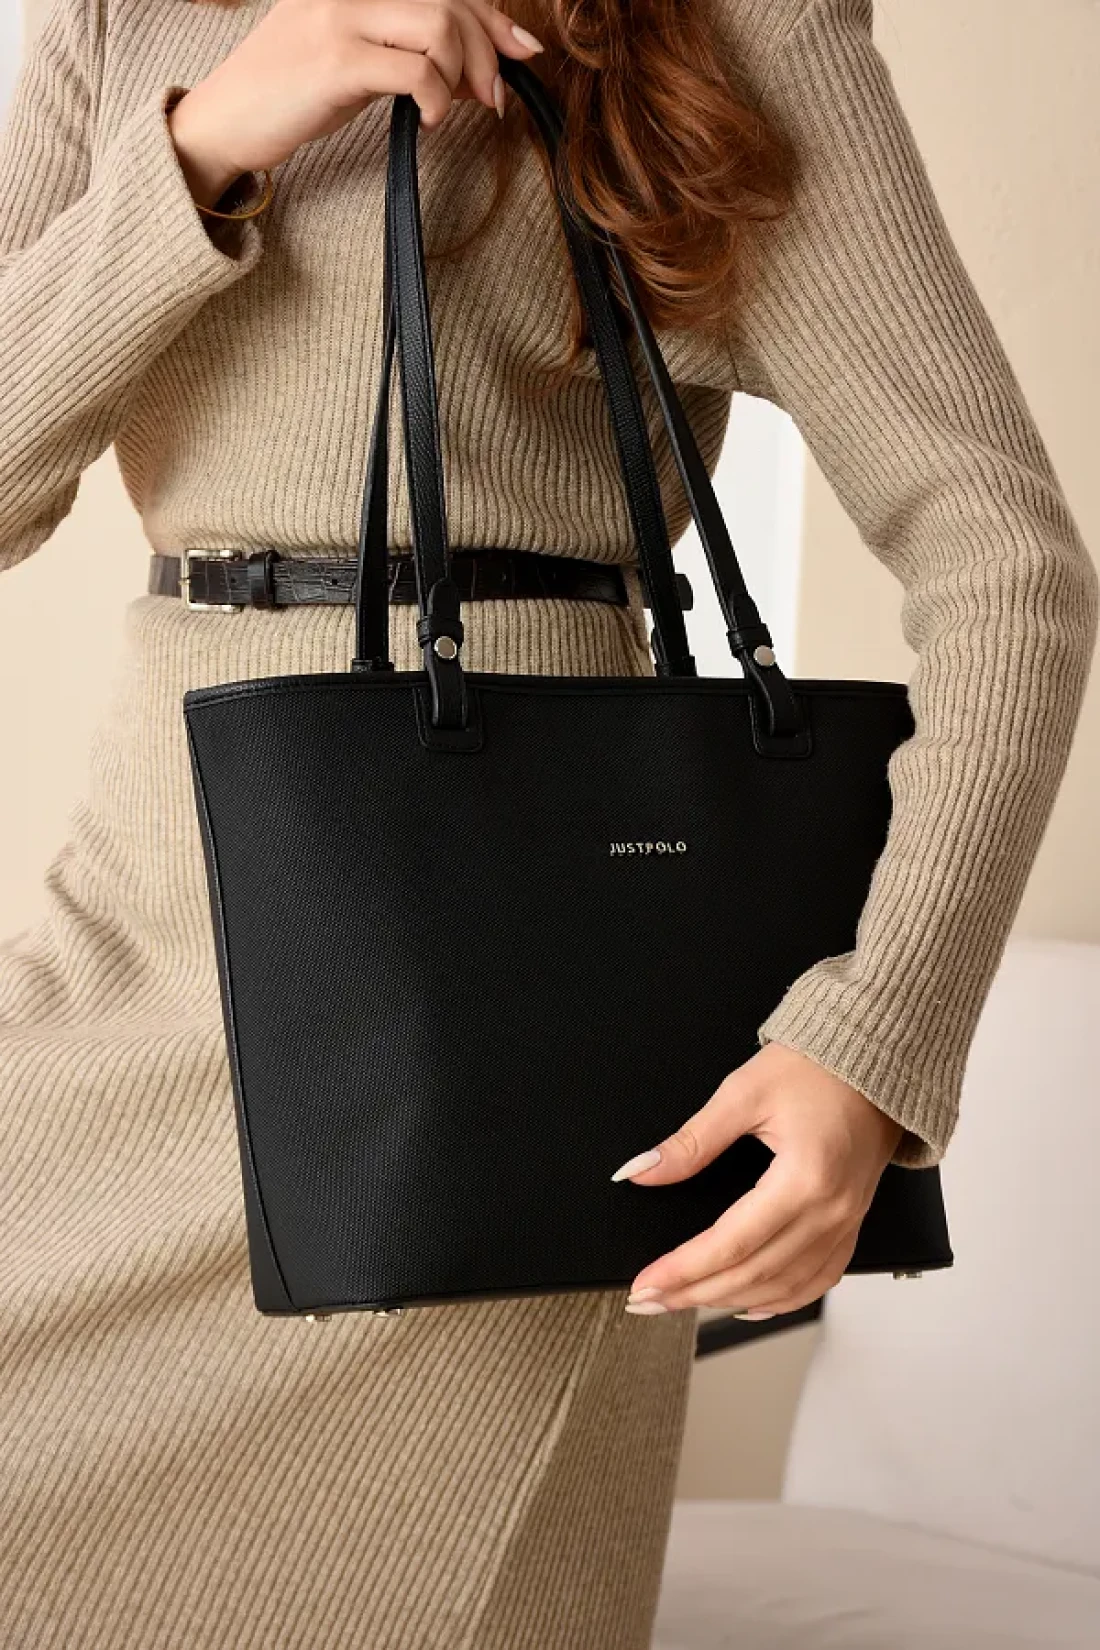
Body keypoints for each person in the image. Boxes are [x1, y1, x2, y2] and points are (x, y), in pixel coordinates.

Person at [0, 0, 1095, 1645]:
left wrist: (877, 1038)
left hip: (507, 1032)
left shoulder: (728, 20)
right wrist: (209, 136)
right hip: (144, 935)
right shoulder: (117, 15)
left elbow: (1008, 559)